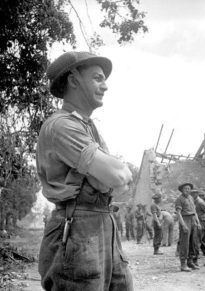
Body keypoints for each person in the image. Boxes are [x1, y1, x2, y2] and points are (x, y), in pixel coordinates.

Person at [36, 51, 133, 291]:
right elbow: (118, 176)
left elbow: (120, 187)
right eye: (97, 78)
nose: (105, 86)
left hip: (103, 223)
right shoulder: (61, 125)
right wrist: (109, 173)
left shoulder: (88, 128)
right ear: (73, 80)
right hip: (77, 228)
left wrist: (108, 173)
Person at [175, 182, 201, 272]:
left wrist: (198, 222)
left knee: (193, 242)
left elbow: (194, 211)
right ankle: (183, 264)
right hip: (185, 220)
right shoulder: (179, 199)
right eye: (185, 189)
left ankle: (190, 262)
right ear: (182, 190)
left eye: (189, 188)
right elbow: (178, 213)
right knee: (185, 243)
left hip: (193, 219)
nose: (187, 190)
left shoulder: (191, 198)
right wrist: (183, 225)